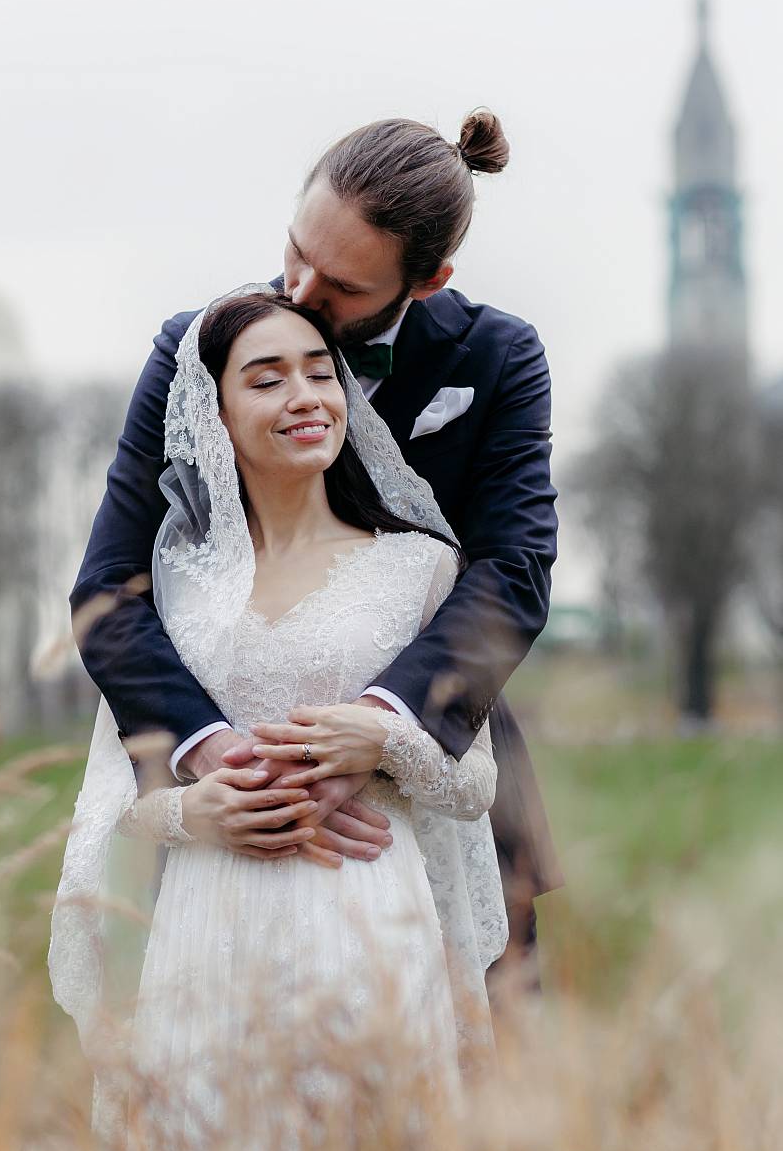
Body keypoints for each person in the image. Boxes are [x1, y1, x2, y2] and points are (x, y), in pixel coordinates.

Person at [68, 109, 561, 995]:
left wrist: (385, 731)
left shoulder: (499, 357)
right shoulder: (195, 352)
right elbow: (110, 586)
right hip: (231, 821)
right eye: (296, 249)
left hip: (437, 772)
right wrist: (215, 757)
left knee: (484, 1109)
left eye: (339, 286)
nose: (298, 293)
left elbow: (512, 572)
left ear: (429, 280)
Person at [49, 289, 508, 1139]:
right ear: (211, 416)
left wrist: (384, 740)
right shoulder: (177, 590)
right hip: (208, 928)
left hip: (371, 919)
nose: (305, 397)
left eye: (319, 373)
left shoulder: (422, 568)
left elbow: (473, 782)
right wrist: (195, 810)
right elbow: (123, 799)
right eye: (266, 380)